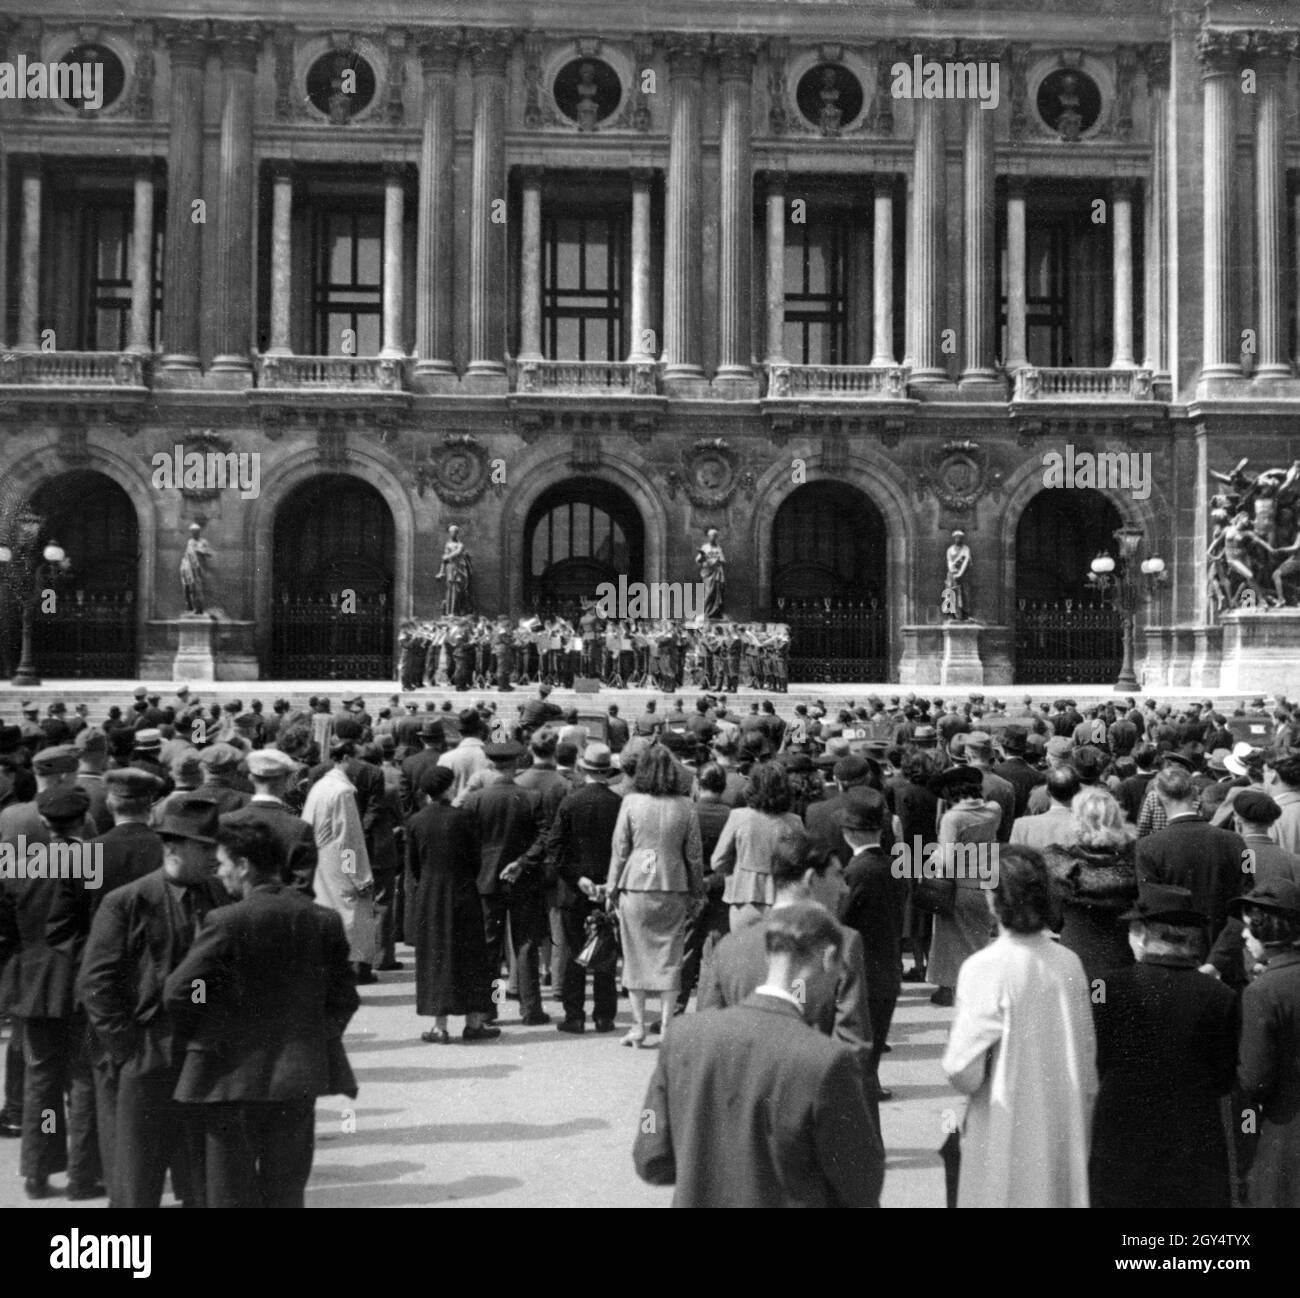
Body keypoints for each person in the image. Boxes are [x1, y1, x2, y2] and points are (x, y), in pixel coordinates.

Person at [633, 901, 884, 1208]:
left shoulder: (683, 1036)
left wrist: (704, 1170)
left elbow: (649, 1145)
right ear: (830, 957)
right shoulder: (826, 1061)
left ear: (770, 956)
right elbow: (862, 1181)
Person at [163, 819, 359, 1208]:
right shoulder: (323, 919)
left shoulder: (226, 921)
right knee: (286, 1191)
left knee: (229, 1194)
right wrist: (312, 1034)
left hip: (227, 1078)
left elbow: (182, 990)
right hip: (297, 1076)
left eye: (222, 864)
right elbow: (343, 999)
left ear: (244, 866)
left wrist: (205, 1024)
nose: (218, 872)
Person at [78, 798, 228, 1208]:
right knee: (136, 1182)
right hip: (146, 1059)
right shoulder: (128, 902)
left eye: (217, 847)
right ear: (173, 847)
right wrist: (127, 1049)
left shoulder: (218, 897)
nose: (216, 858)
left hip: (202, 1057)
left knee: (203, 1180)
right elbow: (95, 983)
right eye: (206, 848)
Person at [941, 847, 1098, 1208]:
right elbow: (1087, 1057)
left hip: (1004, 1127)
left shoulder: (984, 967)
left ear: (995, 900)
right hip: (1061, 1125)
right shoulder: (1069, 963)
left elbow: (963, 1071)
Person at [1090, 883, 1239, 1209]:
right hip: (1194, 1139)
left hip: (1122, 1136)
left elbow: (1096, 1062)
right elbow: (1224, 1078)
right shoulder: (1222, 997)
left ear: (1142, 933)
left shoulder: (1107, 988)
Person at [0, 787, 100, 1200]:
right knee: (82, 1080)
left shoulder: (16, 863)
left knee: (41, 1082)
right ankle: (82, 1174)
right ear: (83, 820)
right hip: (77, 980)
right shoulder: (90, 860)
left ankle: (38, 1171)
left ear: (43, 822)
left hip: (32, 982)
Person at [607, 745, 704, 1047]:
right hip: (673, 885)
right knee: (671, 958)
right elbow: (694, 855)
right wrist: (697, 890)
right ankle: (666, 1024)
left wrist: (611, 887)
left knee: (634, 958)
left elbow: (620, 850)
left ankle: (637, 1025)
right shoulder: (686, 806)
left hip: (636, 885)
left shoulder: (631, 802)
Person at [405, 765, 498, 1043]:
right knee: (471, 955)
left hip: (430, 894)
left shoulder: (416, 821)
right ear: (449, 787)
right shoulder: (465, 818)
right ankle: (474, 1022)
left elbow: (414, 865)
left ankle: (439, 1026)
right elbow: (475, 859)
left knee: (435, 956)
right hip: (462, 890)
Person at [463, 741, 549, 1026]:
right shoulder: (532, 797)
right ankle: (530, 1008)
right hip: (524, 880)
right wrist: (522, 862)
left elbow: (468, 843)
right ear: (515, 765)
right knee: (525, 944)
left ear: (490, 764)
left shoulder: (475, 799)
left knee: (490, 947)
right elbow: (544, 837)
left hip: (486, 880)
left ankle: (490, 1008)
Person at [542, 743, 623, 1034]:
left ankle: (574, 1014)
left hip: (575, 890)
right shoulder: (618, 803)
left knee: (575, 953)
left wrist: (577, 878)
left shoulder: (570, 802)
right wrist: (611, 882)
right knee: (605, 951)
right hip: (607, 889)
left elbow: (555, 848)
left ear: (583, 768)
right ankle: (604, 1015)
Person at [1234, 878, 1300, 1208]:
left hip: (1286, 1132)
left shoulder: (1262, 991)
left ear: (1267, 930)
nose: (1244, 936)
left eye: (1248, 928)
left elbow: (1255, 1081)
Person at [837, 788, 907, 1097]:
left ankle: (862, 1088)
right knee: (877, 1033)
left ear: (848, 832)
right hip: (888, 963)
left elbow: (841, 919)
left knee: (858, 1035)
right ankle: (871, 1082)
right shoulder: (895, 867)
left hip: (860, 967)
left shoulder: (854, 872)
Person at [1136, 764, 1247, 947]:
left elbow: (1150, 906)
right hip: (1226, 952)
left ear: (1158, 796)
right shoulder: (1238, 843)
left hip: (1176, 952)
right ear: (1195, 792)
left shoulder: (1146, 848)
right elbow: (1247, 896)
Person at [1042, 788, 1139, 981]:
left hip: (1076, 952)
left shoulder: (1060, 862)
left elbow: (1053, 919)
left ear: (1077, 819)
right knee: (1107, 1006)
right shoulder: (1135, 860)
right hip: (1119, 953)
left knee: (1089, 1006)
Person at [301, 739, 377, 984]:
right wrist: (358, 876)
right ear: (346, 758)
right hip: (338, 860)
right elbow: (349, 838)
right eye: (358, 758)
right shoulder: (343, 791)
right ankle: (350, 972)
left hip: (320, 857)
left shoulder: (321, 785)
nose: (361, 764)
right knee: (351, 914)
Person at [927, 764, 1001, 1008]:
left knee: (952, 940)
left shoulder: (953, 818)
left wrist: (934, 861)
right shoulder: (993, 810)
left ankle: (954, 989)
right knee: (978, 939)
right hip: (987, 882)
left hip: (960, 884)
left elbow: (947, 859)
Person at [712, 762, 804, 932]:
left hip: (744, 898)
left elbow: (718, 861)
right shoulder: (795, 822)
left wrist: (738, 870)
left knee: (744, 955)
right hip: (782, 900)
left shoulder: (738, 817)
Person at [219, 749, 316, 896]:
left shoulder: (226, 821)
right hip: (284, 914)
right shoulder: (300, 828)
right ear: (287, 779)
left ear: (251, 778)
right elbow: (302, 888)